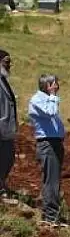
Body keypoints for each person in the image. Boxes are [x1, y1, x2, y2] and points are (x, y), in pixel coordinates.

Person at [29, 74, 65, 226]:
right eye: (54, 84)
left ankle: (50, 214)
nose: (57, 87)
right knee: (51, 181)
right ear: (47, 85)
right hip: (48, 144)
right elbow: (51, 113)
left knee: (53, 180)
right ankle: (50, 217)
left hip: (54, 143)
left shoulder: (47, 99)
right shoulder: (38, 100)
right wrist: (52, 96)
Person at [0, 49, 17, 197]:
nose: (9, 65)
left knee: (8, 158)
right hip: (1, 129)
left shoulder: (4, 81)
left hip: (7, 130)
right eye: (6, 62)